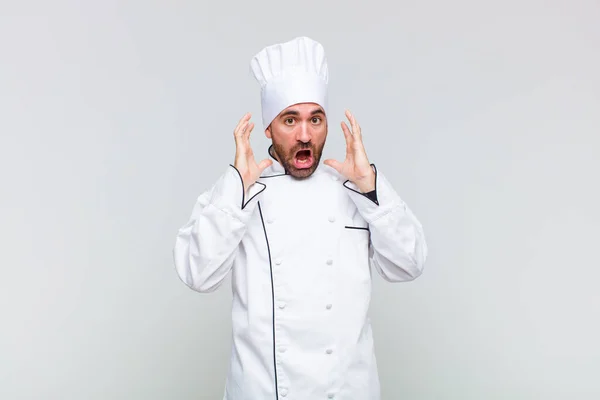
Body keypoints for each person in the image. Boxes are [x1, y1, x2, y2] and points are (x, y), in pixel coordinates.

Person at [173, 36, 428, 400]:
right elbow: (198, 275)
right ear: (268, 129)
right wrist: (237, 189)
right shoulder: (239, 193)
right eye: (290, 120)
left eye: (315, 119)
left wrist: (371, 186)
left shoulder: (356, 188)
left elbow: (410, 263)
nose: (304, 135)